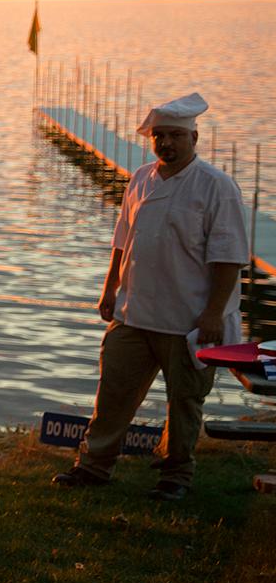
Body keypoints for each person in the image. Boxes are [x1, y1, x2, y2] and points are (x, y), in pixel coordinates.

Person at [53, 92, 249, 501]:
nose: (166, 143)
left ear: (194, 137)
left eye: (175, 135)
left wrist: (213, 314)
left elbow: (229, 257)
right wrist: (109, 287)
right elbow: (123, 238)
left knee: (184, 404)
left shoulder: (217, 186)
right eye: (159, 135)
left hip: (189, 319)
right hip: (134, 311)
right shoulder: (141, 177)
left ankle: (174, 476)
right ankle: (93, 467)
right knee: (113, 394)